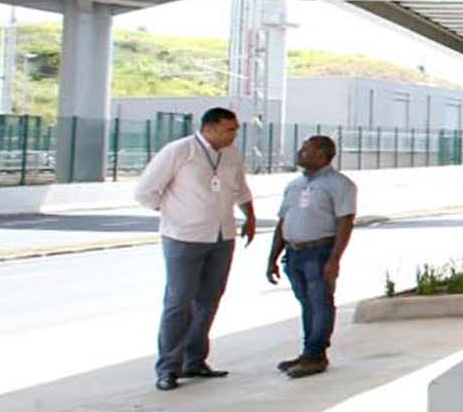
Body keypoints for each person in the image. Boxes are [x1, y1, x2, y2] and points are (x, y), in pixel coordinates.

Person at [132, 105, 256, 391]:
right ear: (209, 128)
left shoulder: (232, 155)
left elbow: (240, 189)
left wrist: (249, 217)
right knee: (179, 302)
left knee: (209, 300)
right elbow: (145, 191)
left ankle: (195, 360)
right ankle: (168, 368)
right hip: (184, 237)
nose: (234, 134)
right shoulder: (180, 151)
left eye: (236, 129)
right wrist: (173, 212)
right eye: (229, 129)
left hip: (222, 236)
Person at [265, 134, 357, 377]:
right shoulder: (294, 185)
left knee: (321, 303)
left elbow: (345, 222)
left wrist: (334, 259)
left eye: (305, 150)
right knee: (307, 303)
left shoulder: (339, 185)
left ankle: (316, 354)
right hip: (294, 252)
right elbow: (283, 221)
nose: (299, 153)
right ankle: (308, 351)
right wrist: (273, 257)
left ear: (321, 155)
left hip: (319, 252)